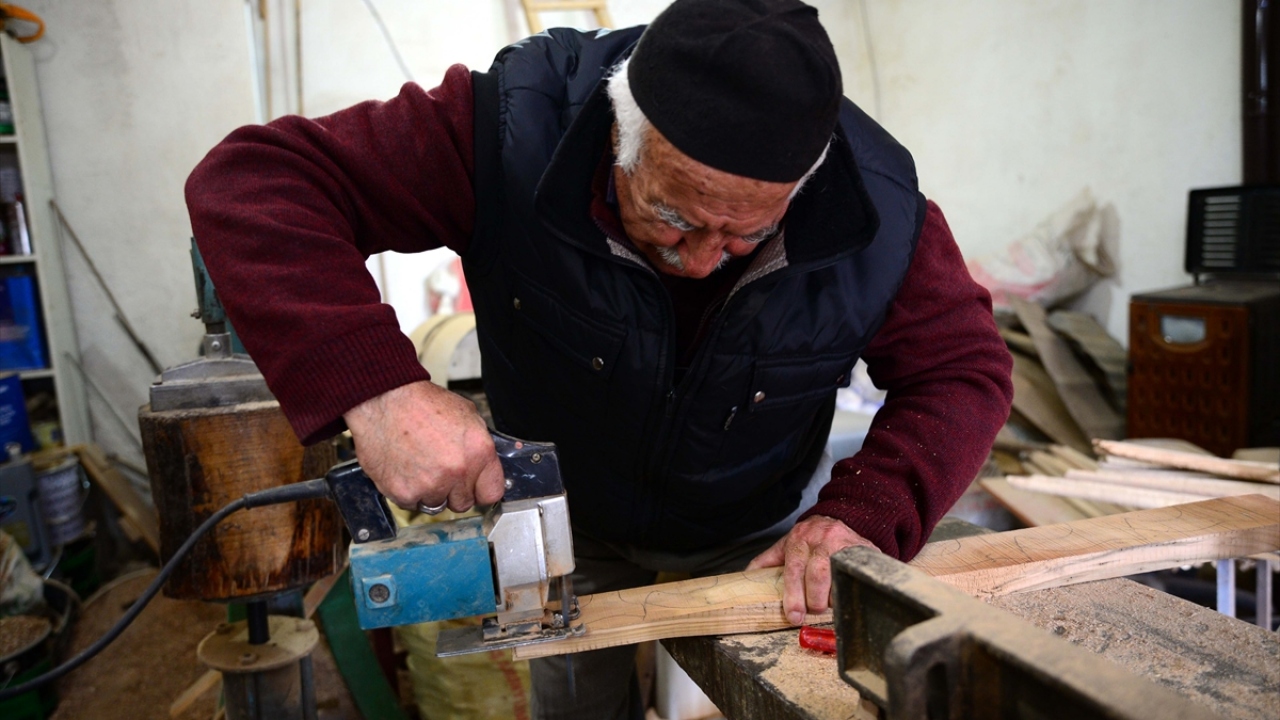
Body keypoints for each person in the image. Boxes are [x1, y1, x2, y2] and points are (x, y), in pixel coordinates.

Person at [185, 0, 1013, 717]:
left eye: (746, 234)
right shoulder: (510, 126)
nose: (700, 261)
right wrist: (379, 389)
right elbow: (255, 180)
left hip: (753, 532)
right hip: (560, 519)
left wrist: (868, 510)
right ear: (620, 126)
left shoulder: (879, 212)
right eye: (671, 215)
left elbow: (963, 370)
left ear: (806, 185)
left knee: (766, 696)